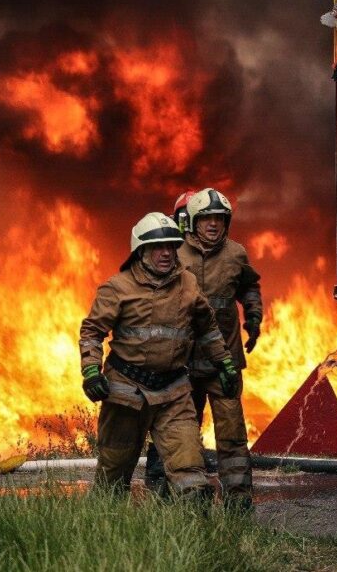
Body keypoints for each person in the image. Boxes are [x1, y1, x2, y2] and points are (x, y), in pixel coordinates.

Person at [79, 212, 240, 498]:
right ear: (141, 250)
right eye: (157, 247)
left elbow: (208, 328)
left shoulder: (188, 284)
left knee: (193, 480)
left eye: (171, 246)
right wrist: (91, 370)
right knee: (112, 480)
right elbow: (92, 331)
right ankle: (102, 536)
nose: (166, 253)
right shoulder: (117, 288)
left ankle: (191, 540)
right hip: (126, 393)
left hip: (174, 393)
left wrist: (224, 362)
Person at [171, 188, 262, 509]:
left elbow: (249, 286)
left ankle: (238, 500)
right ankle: (183, 496)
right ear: (192, 221)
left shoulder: (236, 254)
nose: (213, 224)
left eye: (219, 219)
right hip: (183, 364)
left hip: (225, 363)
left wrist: (254, 316)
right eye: (206, 218)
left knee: (232, 433)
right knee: (183, 432)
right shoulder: (174, 253)